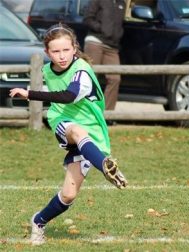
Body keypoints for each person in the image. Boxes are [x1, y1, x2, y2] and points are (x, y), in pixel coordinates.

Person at [9, 23, 128, 245]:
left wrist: (30, 94)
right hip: (63, 121)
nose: (61, 56)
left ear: (74, 48)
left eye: (66, 50)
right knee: (75, 129)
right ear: (47, 52)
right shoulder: (47, 70)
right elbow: (58, 98)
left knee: (69, 195)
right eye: (55, 51)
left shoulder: (81, 70)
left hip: (92, 127)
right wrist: (32, 92)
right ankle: (104, 165)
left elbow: (69, 95)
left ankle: (38, 221)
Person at [83, 0, 126, 124]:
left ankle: (106, 116)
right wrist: (101, 28)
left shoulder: (121, 3)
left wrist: (117, 34)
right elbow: (87, 18)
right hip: (95, 42)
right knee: (91, 79)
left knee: (115, 78)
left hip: (112, 46)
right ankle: (87, 114)